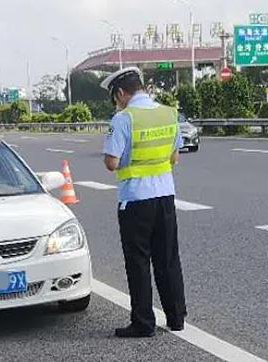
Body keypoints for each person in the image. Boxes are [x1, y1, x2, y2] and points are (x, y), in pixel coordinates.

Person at [101, 67, 187, 338]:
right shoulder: (168, 113)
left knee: (138, 261)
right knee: (168, 258)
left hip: (135, 200)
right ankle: (176, 317)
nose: (117, 102)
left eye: (116, 97)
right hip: (165, 196)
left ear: (121, 93)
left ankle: (143, 322)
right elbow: (175, 158)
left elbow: (111, 162)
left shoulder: (123, 119)